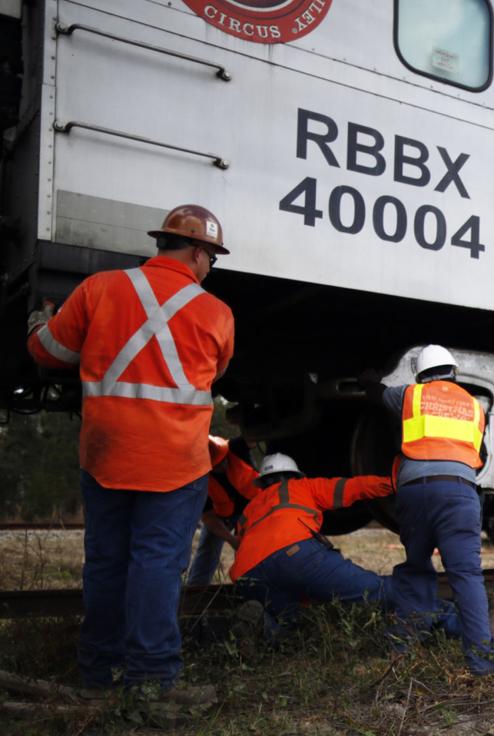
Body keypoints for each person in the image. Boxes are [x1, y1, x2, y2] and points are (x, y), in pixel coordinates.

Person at [25, 204, 234, 703]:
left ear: (162, 243)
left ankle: (98, 672)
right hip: (176, 463)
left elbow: (47, 352)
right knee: (157, 565)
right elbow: (214, 373)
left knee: (104, 563)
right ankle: (152, 682)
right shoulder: (216, 312)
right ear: (200, 253)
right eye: (212, 259)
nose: (210, 268)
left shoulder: (100, 288)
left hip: (106, 454)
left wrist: (41, 321)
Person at [359, 345, 494, 675]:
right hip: (458, 493)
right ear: (453, 373)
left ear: (422, 374)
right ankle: (483, 662)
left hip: (413, 494)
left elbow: (376, 396)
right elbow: (480, 455)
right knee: (466, 576)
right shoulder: (475, 407)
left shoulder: (411, 396)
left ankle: (401, 651)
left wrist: (369, 379)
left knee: (417, 567)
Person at [230, 453, 397, 632]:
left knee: (293, 625)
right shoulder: (303, 486)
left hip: (247, 575)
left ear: (262, 483)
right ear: (294, 476)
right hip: (294, 554)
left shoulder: (249, 509)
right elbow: (352, 487)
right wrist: (392, 484)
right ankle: (422, 604)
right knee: (375, 590)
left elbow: (240, 544)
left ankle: (266, 627)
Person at [186, 436, 260, 586]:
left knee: (255, 549)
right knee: (209, 544)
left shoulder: (237, 446)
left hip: (254, 510)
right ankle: (196, 590)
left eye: (223, 460)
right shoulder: (199, 479)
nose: (223, 466)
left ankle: (254, 585)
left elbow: (255, 434)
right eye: (217, 466)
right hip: (223, 515)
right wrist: (232, 540)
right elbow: (208, 518)